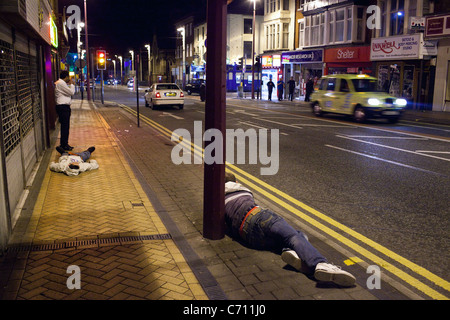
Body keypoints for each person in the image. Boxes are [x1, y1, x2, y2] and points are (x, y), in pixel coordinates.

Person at [224, 172, 356, 287]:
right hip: (259, 217)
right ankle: (320, 264)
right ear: (235, 182)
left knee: (290, 238)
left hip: (249, 237)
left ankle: (293, 253)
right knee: (294, 236)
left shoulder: (219, 199)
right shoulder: (243, 190)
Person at [55, 70, 76, 151]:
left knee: (65, 126)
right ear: (66, 77)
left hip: (64, 107)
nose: (69, 79)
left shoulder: (60, 83)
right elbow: (71, 92)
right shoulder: (61, 83)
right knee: (65, 126)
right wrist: (72, 85)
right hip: (63, 107)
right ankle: (64, 144)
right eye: (69, 77)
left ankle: (64, 143)